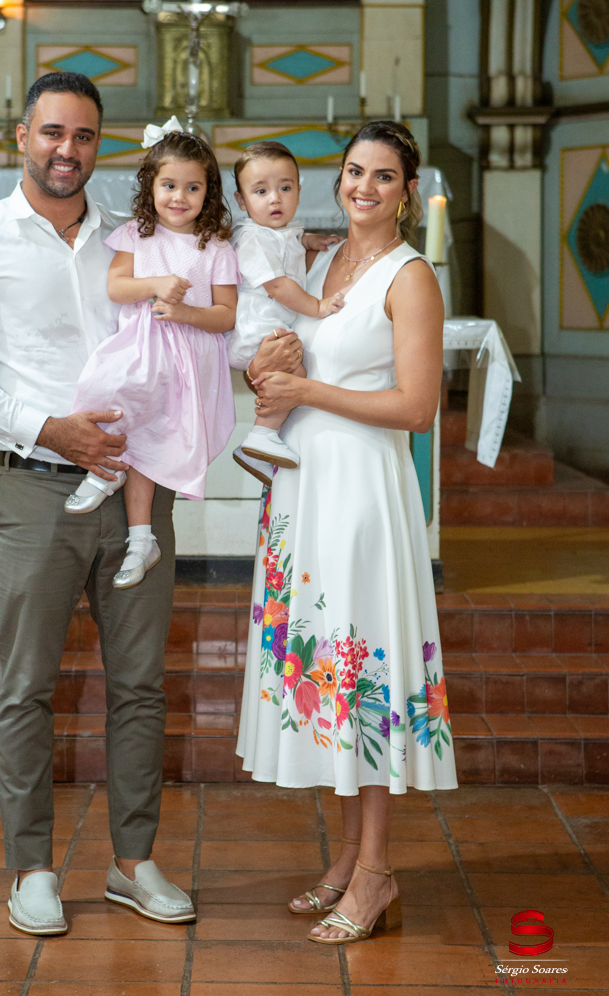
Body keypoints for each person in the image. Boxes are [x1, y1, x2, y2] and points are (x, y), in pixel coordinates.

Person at [0, 72, 195, 937]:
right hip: (37, 486)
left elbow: (189, 332)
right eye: (52, 132)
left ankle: (133, 862)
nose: (66, 150)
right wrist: (49, 428)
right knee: (26, 686)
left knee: (141, 686)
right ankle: (32, 869)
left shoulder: (135, 242)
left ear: (99, 145)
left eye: (82, 136)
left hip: (136, 492)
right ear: (21, 137)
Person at [236, 120, 458, 945]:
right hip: (306, 488)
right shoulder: (320, 264)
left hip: (363, 492)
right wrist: (269, 373)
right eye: (355, 171)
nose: (365, 187)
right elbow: (290, 360)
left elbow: (416, 407)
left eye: (384, 176)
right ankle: (346, 858)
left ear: (407, 190)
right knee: (330, 669)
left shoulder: (411, 277)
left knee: (363, 669)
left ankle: (376, 871)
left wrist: (306, 393)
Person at [64, 120, 239, 590]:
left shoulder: (215, 247)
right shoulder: (136, 234)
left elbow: (226, 315)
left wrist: (185, 312)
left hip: (188, 354)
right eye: (169, 185)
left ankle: (117, 493)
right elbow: (117, 287)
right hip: (142, 346)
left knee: (151, 441)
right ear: (151, 186)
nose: (179, 197)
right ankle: (141, 538)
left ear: (209, 191)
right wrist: (157, 285)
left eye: (193, 187)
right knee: (111, 397)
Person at [224, 140, 342, 483]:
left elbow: (291, 241)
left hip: (271, 328)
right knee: (296, 375)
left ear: (299, 192)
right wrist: (317, 306)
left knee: (296, 378)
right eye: (261, 191)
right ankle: (260, 435)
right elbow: (277, 286)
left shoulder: (278, 232)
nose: (275, 198)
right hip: (259, 333)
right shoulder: (252, 238)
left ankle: (262, 443)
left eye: (285, 188)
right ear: (242, 201)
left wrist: (310, 241)